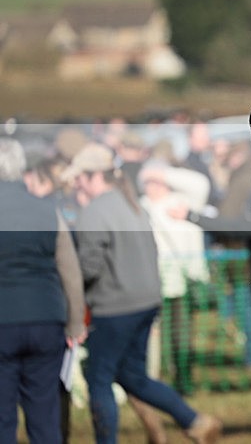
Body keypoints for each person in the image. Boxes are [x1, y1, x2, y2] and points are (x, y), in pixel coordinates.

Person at [63, 142, 222, 444]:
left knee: (99, 380)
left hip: (114, 308)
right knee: (132, 376)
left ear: (93, 176)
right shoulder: (132, 204)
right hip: (146, 302)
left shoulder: (94, 211)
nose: (77, 184)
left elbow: (89, 267)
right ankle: (195, 421)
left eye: (80, 178)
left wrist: (67, 284)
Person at [0, 138, 86, 444]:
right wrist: (75, 323)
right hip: (47, 321)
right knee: (44, 415)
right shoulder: (48, 211)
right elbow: (70, 271)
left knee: (3, 419)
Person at [138, 161, 211, 394]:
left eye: (157, 181)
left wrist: (163, 172)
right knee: (152, 334)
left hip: (181, 283)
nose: (153, 186)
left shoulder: (182, 201)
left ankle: (183, 379)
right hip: (150, 283)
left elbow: (201, 184)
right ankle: (153, 379)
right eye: (148, 182)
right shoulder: (140, 206)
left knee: (181, 333)